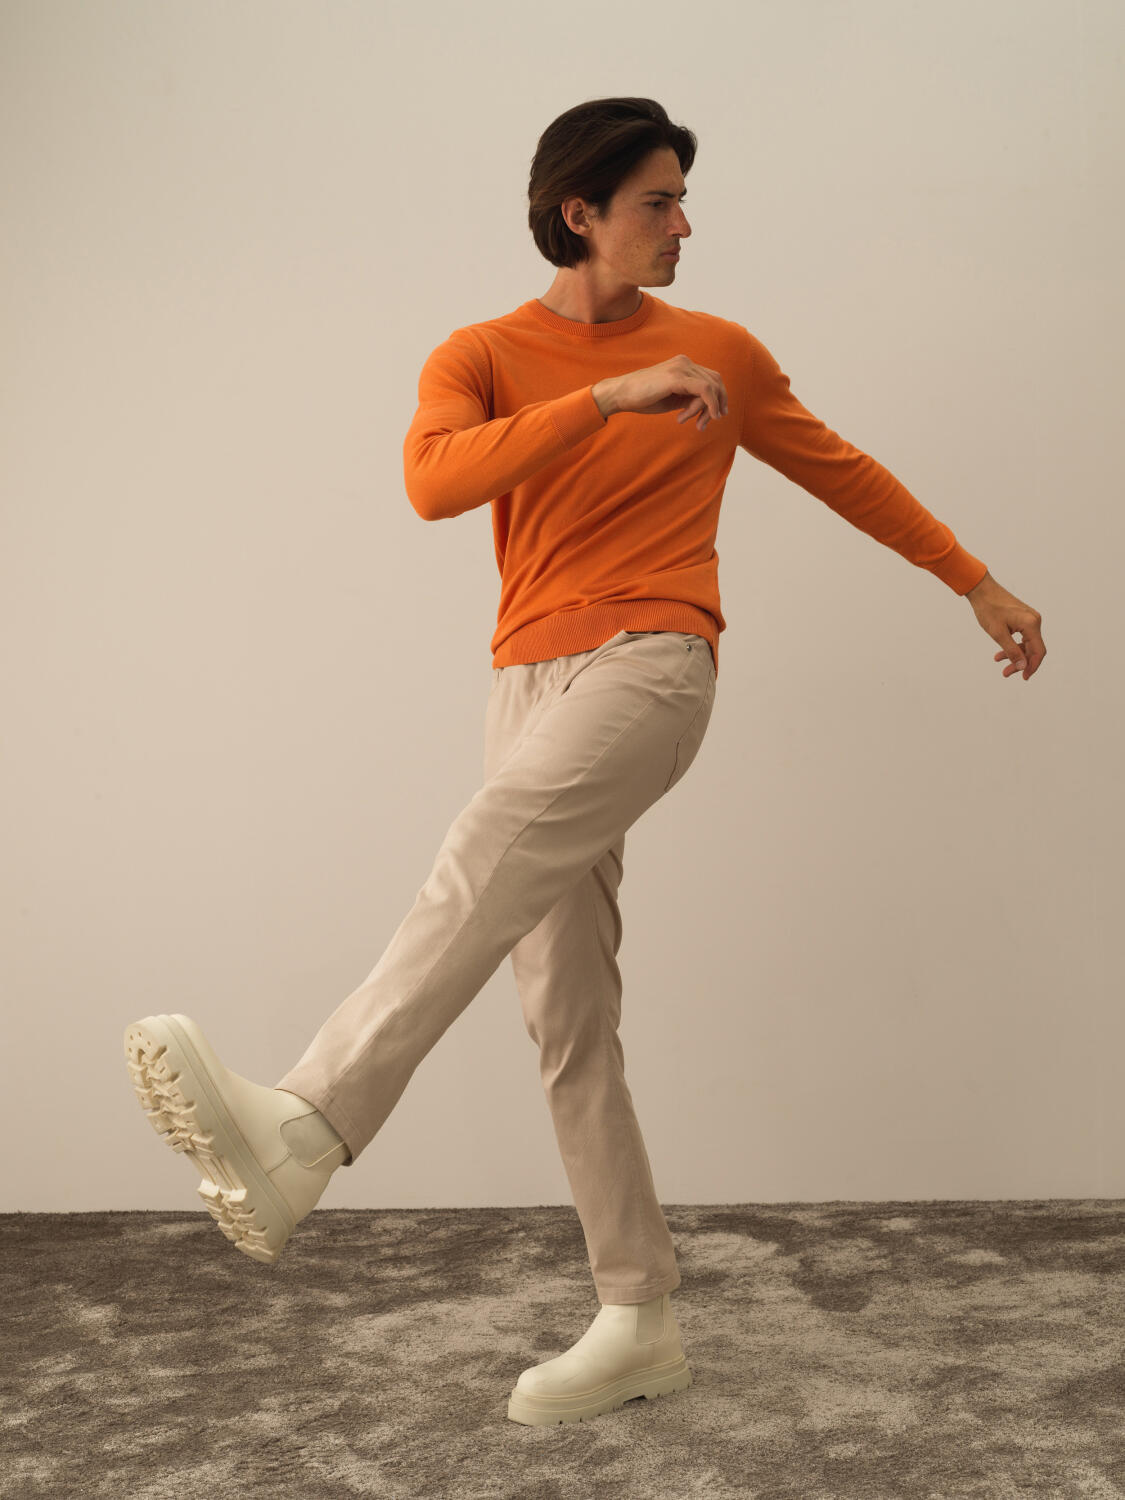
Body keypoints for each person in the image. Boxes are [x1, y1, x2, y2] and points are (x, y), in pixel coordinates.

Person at [123, 96, 1047, 1428]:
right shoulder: (482, 353)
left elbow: (838, 468)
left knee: (482, 847)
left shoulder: (720, 351)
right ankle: (637, 1316)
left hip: (652, 658)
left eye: (682, 200)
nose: (682, 226)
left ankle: (307, 1123)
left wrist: (973, 579)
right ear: (581, 213)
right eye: (658, 202)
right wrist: (604, 396)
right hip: (526, 680)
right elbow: (434, 483)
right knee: (564, 1017)